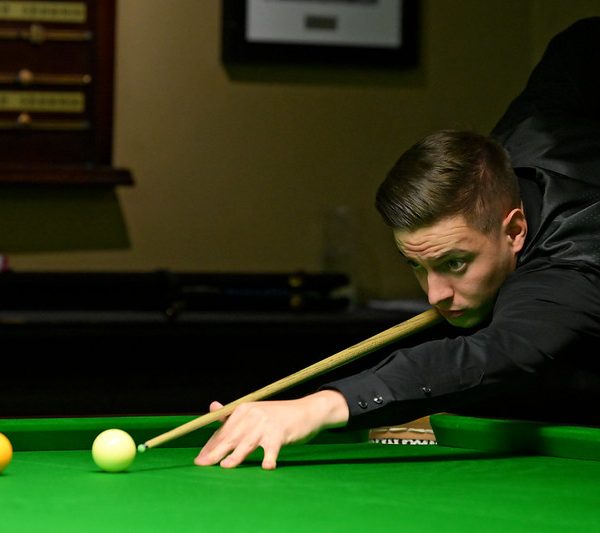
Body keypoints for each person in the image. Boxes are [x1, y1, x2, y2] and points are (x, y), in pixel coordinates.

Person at [195, 17, 600, 470]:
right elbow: (580, 43)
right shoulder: (533, 128)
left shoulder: (571, 268)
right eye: (417, 265)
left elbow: (494, 352)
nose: (434, 295)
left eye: (455, 263)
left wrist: (317, 408)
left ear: (515, 230)